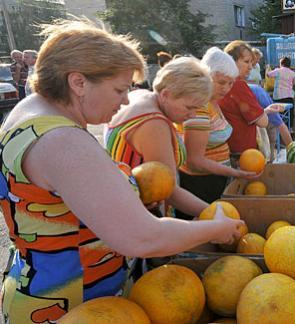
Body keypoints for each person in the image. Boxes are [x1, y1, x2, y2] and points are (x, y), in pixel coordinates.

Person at [0, 20, 243, 322]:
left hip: (42, 286)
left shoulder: (26, 114)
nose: (126, 100)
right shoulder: (63, 140)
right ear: (78, 82)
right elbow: (142, 237)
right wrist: (217, 228)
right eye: (119, 89)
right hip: (69, 304)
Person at [105, 56, 213, 219]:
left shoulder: (140, 96)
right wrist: (218, 214)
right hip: (142, 216)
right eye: (189, 107)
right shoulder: (154, 124)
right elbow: (170, 191)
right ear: (166, 94)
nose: (192, 115)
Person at [176, 47, 258, 208]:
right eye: (221, 82)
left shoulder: (213, 102)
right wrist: (235, 172)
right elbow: (194, 160)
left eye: (230, 83)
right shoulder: (199, 107)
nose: (226, 88)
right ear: (206, 76)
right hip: (200, 185)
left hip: (215, 180)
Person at [219, 40, 281, 165]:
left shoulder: (222, 83)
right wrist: (263, 114)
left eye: (251, 62)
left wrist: (265, 111)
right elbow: (263, 122)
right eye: (246, 62)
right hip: (244, 154)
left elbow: (238, 114)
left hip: (230, 150)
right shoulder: (238, 85)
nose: (251, 67)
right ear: (231, 62)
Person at [248, 83, 293, 159]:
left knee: (267, 156)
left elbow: (281, 125)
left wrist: (293, 151)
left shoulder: (259, 96)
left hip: (267, 124)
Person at [266, 56, 295, 128]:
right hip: (289, 97)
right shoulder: (292, 73)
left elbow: (268, 74)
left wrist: (267, 68)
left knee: (278, 115)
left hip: (278, 97)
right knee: (290, 114)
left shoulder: (278, 71)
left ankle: (279, 128)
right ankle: (290, 128)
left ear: (282, 64)